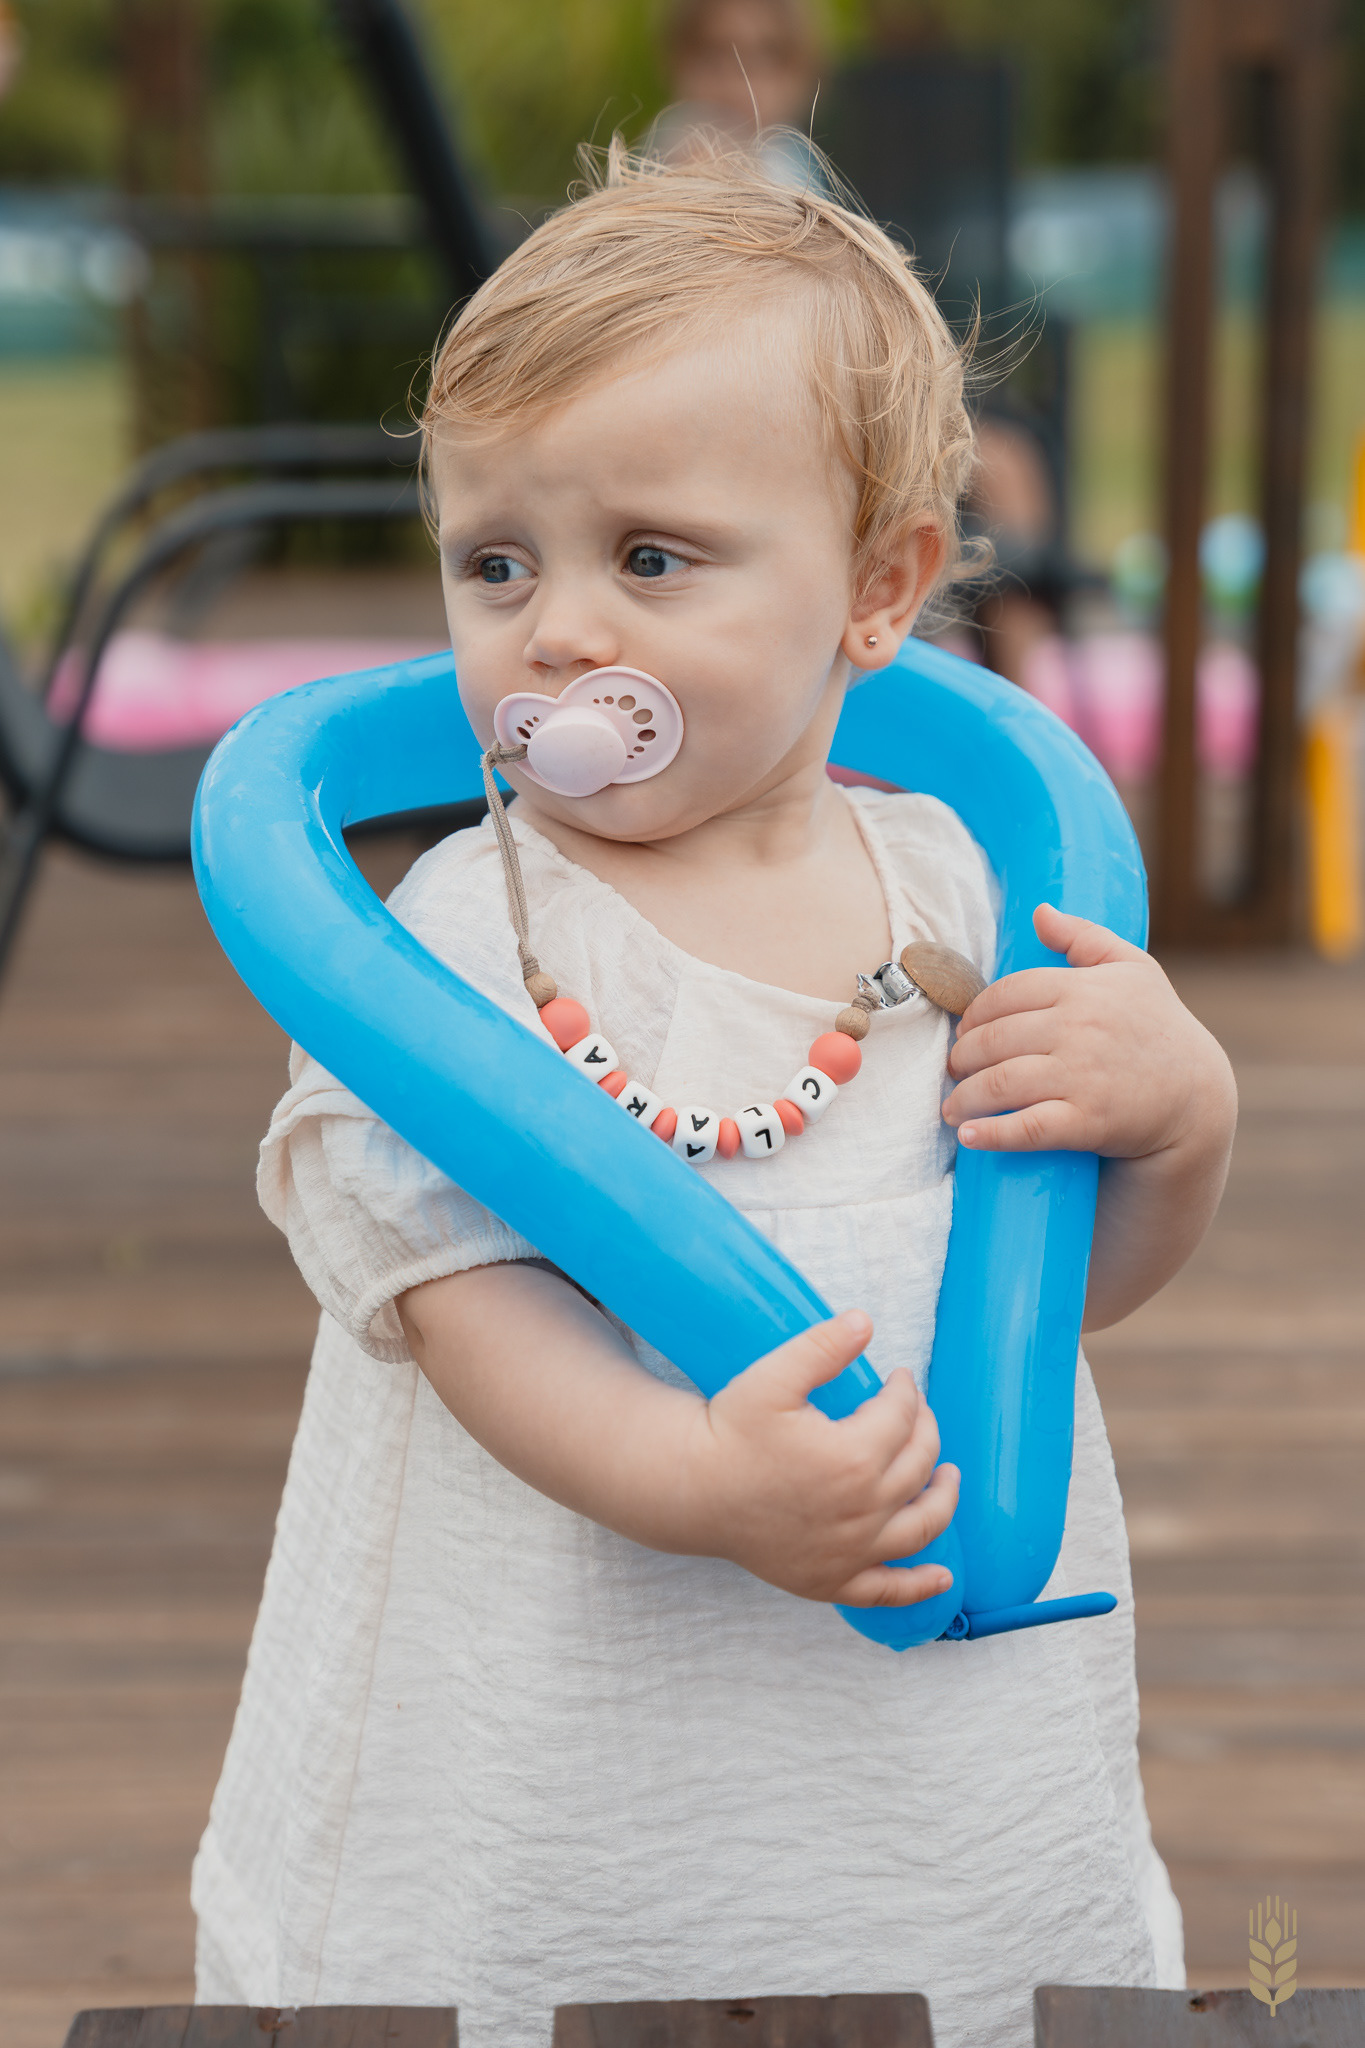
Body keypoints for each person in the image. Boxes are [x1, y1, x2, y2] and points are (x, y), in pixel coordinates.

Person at [192, 143, 1237, 2048]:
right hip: (563, 1711)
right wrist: (703, 1483)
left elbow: (1053, 1281)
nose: (558, 631)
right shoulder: (454, 939)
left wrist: (1176, 1125)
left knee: (943, 1975)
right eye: (494, 563)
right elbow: (470, 1309)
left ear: (877, 588)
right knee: (557, 1974)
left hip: (924, 1730)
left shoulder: (967, 894)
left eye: (647, 559)